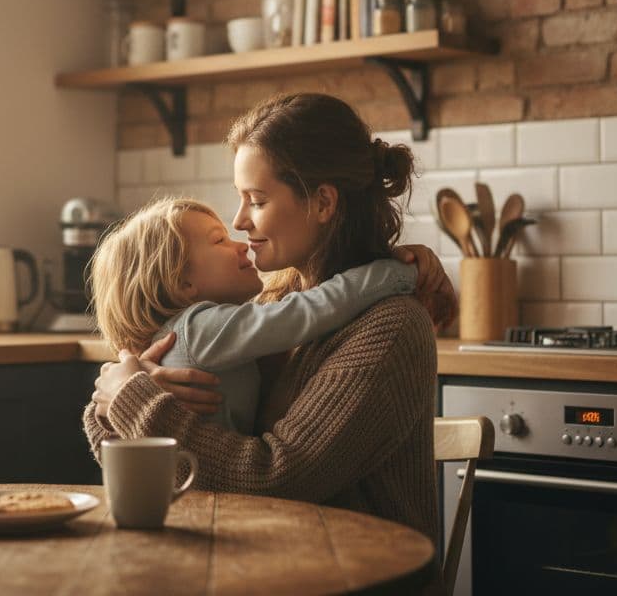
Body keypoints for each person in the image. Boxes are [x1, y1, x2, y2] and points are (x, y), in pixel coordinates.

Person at [83, 92, 456, 560]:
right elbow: (124, 437)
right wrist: (116, 399)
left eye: (256, 200)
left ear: (322, 202)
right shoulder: (273, 298)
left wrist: (138, 404)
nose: (239, 222)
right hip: (255, 562)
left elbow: (276, 480)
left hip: (355, 577)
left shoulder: (389, 327)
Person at [90, 196, 424, 435]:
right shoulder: (198, 328)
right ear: (182, 282)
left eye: (258, 200)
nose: (240, 242)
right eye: (219, 240)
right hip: (210, 497)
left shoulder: (192, 331)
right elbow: (310, 310)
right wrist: (397, 274)